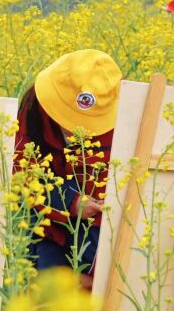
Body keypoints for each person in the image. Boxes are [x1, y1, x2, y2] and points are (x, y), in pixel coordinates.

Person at [14, 49, 121, 291]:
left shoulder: (124, 125)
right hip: (46, 224)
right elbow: (22, 175)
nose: (75, 131)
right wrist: (72, 202)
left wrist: (96, 279)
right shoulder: (34, 112)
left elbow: (118, 202)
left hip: (97, 238)